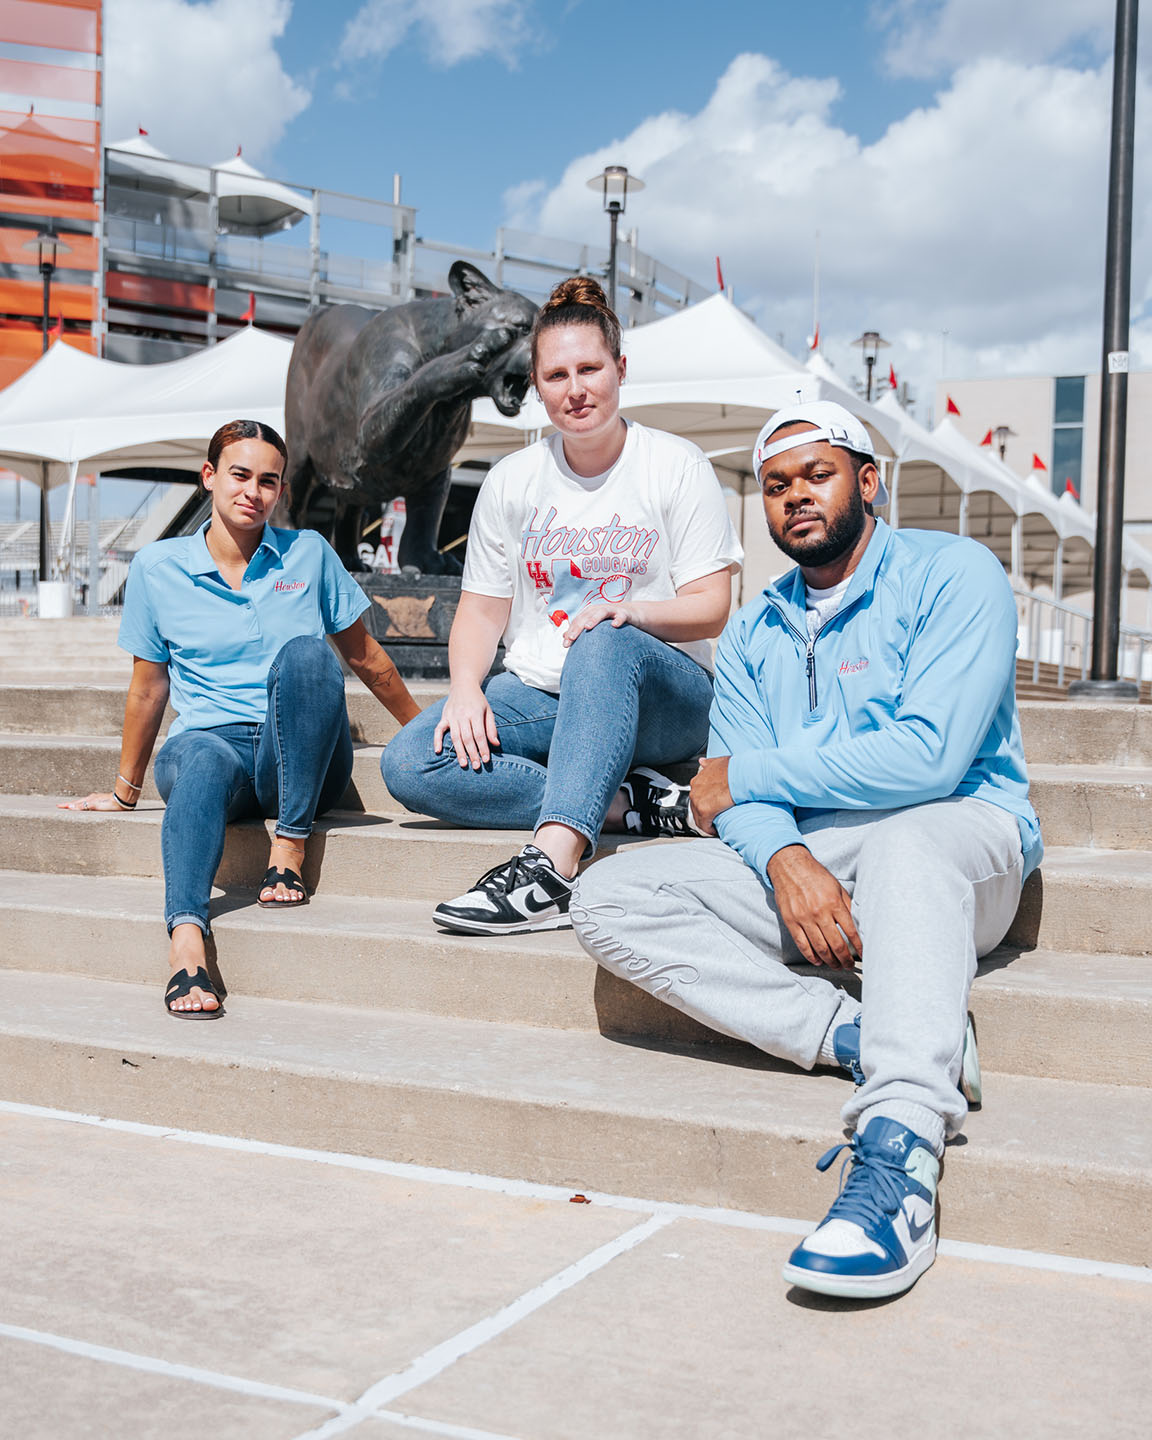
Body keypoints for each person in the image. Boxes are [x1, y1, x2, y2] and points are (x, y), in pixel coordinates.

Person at [571, 400, 1042, 1299]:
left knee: (907, 843)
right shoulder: (752, 629)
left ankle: (902, 1148)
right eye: (778, 486)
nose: (795, 498)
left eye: (816, 475)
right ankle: (860, 1032)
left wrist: (750, 777)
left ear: (868, 481)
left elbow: (929, 756)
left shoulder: (956, 574)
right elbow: (722, 793)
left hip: (961, 837)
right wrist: (787, 859)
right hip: (814, 863)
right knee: (607, 896)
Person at [383, 277, 742, 935]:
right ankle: (621, 805)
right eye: (556, 375)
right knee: (410, 761)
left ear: (619, 370)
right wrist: (466, 690)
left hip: (664, 696)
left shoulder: (675, 466)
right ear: (536, 384)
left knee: (603, 636)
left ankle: (552, 868)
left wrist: (631, 614)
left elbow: (711, 606)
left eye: (589, 369)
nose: (574, 389)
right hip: (542, 692)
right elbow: (483, 611)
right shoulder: (513, 481)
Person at [61, 419, 420, 1018]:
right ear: (209, 477)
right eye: (239, 475)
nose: (253, 491)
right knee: (198, 754)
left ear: (280, 490)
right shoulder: (157, 567)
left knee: (309, 653)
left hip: (300, 758)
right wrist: (125, 790)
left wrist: (426, 732)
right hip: (214, 751)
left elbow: (365, 658)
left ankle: (290, 845)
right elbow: (149, 690)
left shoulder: (308, 552)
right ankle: (186, 942)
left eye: (268, 481)